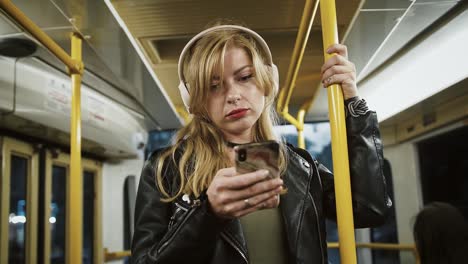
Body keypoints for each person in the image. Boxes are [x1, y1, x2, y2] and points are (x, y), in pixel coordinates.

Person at [131, 24, 391, 264]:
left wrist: (353, 102)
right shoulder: (166, 170)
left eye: (244, 77)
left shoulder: (300, 166)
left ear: (268, 82)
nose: (233, 95)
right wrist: (207, 215)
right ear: (195, 100)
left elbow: (369, 210)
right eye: (213, 86)